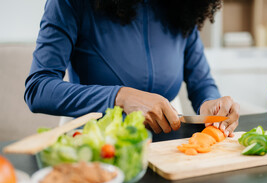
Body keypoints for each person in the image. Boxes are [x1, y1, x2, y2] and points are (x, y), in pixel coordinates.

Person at [24, 0, 240, 136]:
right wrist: (119, 97)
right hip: (97, 144)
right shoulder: (69, 3)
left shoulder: (183, 6)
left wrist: (212, 103)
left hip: (167, 147)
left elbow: (201, 82)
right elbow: (38, 89)